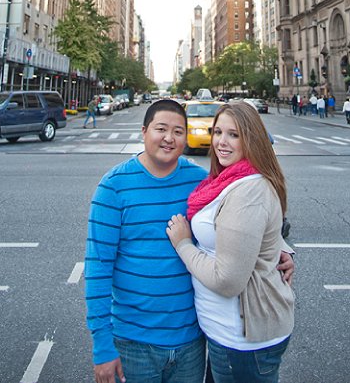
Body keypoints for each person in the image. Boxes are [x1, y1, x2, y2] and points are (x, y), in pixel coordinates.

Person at [85, 99, 294, 383]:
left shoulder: (200, 182)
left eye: (178, 131)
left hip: (192, 341)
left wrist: (279, 249)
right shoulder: (113, 187)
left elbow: (245, 215)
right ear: (144, 131)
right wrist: (102, 347)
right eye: (161, 129)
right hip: (134, 342)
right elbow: (97, 269)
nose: (169, 138)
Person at [166, 102, 295, 383]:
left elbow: (227, 281)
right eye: (218, 132)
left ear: (252, 139)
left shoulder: (248, 190)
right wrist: (280, 248)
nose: (222, 142)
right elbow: (253, 231)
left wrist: (183, 244)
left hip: (242, 339)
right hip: (226, 333)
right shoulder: (227, 179)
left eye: (234, 135)